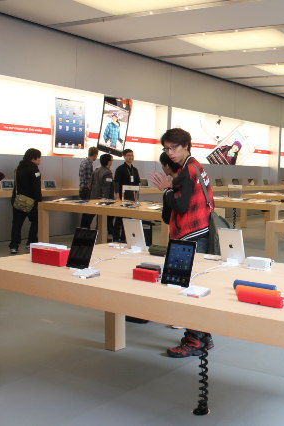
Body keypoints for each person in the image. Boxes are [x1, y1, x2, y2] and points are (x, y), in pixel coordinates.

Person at [150, 128, 215, 358]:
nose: (170, 153)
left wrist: (167, 190)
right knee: (195, 284)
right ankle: (202, 337)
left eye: (173, 148)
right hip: (199, 231)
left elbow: (180, 206)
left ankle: (194, 340)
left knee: (187, 287)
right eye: (166, 148)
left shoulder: (188, 170)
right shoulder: (196, 166)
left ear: (186, 145)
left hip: (189, 235)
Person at [9, 148, 42, 254]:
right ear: (34, 158)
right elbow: (36, 187)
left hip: (18, 200)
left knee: (17, 224)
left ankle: (14, 246)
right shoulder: (34, 169)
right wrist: (39, 200)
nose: (40, 160)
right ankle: (31, 242)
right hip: (31, 201)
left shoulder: (18, 168)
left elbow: (16, 186)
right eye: (39, 157)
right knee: (36, 221)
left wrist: (14, 199)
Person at [112, 149, 140, 242]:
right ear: (124, 156)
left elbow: (136, 184)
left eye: (132, 155)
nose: (130, 157)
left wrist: (136, 197)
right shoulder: (120, 169)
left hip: (131, 198)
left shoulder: (135, 170)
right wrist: (117, 195)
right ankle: (116, 238)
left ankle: (125, 237)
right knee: (119, 218)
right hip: (122, 197)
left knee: (129, 218)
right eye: (128, 155)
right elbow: (116, 182)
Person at [79, 146, 99, 228]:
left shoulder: (83, 162)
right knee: (88, 213)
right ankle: (86, 230)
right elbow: (88, 181)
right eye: (96, 155)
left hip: (82, 190)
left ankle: (84, 230)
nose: (96, 157)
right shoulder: (88, 164)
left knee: (86, 212)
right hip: (86, 190)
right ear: (94, 155)